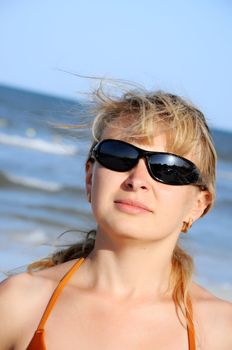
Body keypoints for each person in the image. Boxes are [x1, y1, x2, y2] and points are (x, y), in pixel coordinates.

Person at [0, 85, 232, 350]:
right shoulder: (19, 303)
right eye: (119, 156)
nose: (137, 180)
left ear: (198, 205)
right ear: (90, 177)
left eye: (168, 168)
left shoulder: (220, 331)